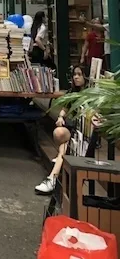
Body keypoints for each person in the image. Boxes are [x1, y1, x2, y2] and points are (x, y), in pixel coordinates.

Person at [35, 66, 89, 195]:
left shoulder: (91, 94)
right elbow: (65, 108)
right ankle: (56, 168)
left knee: (63, 147)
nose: (76, 77)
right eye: (74, 74)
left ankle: (52, 178)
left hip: (85, 134)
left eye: (79, 74)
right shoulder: (72, 92)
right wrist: (60, 117)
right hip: (74, 130)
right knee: (58, 133)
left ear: (86, 76)